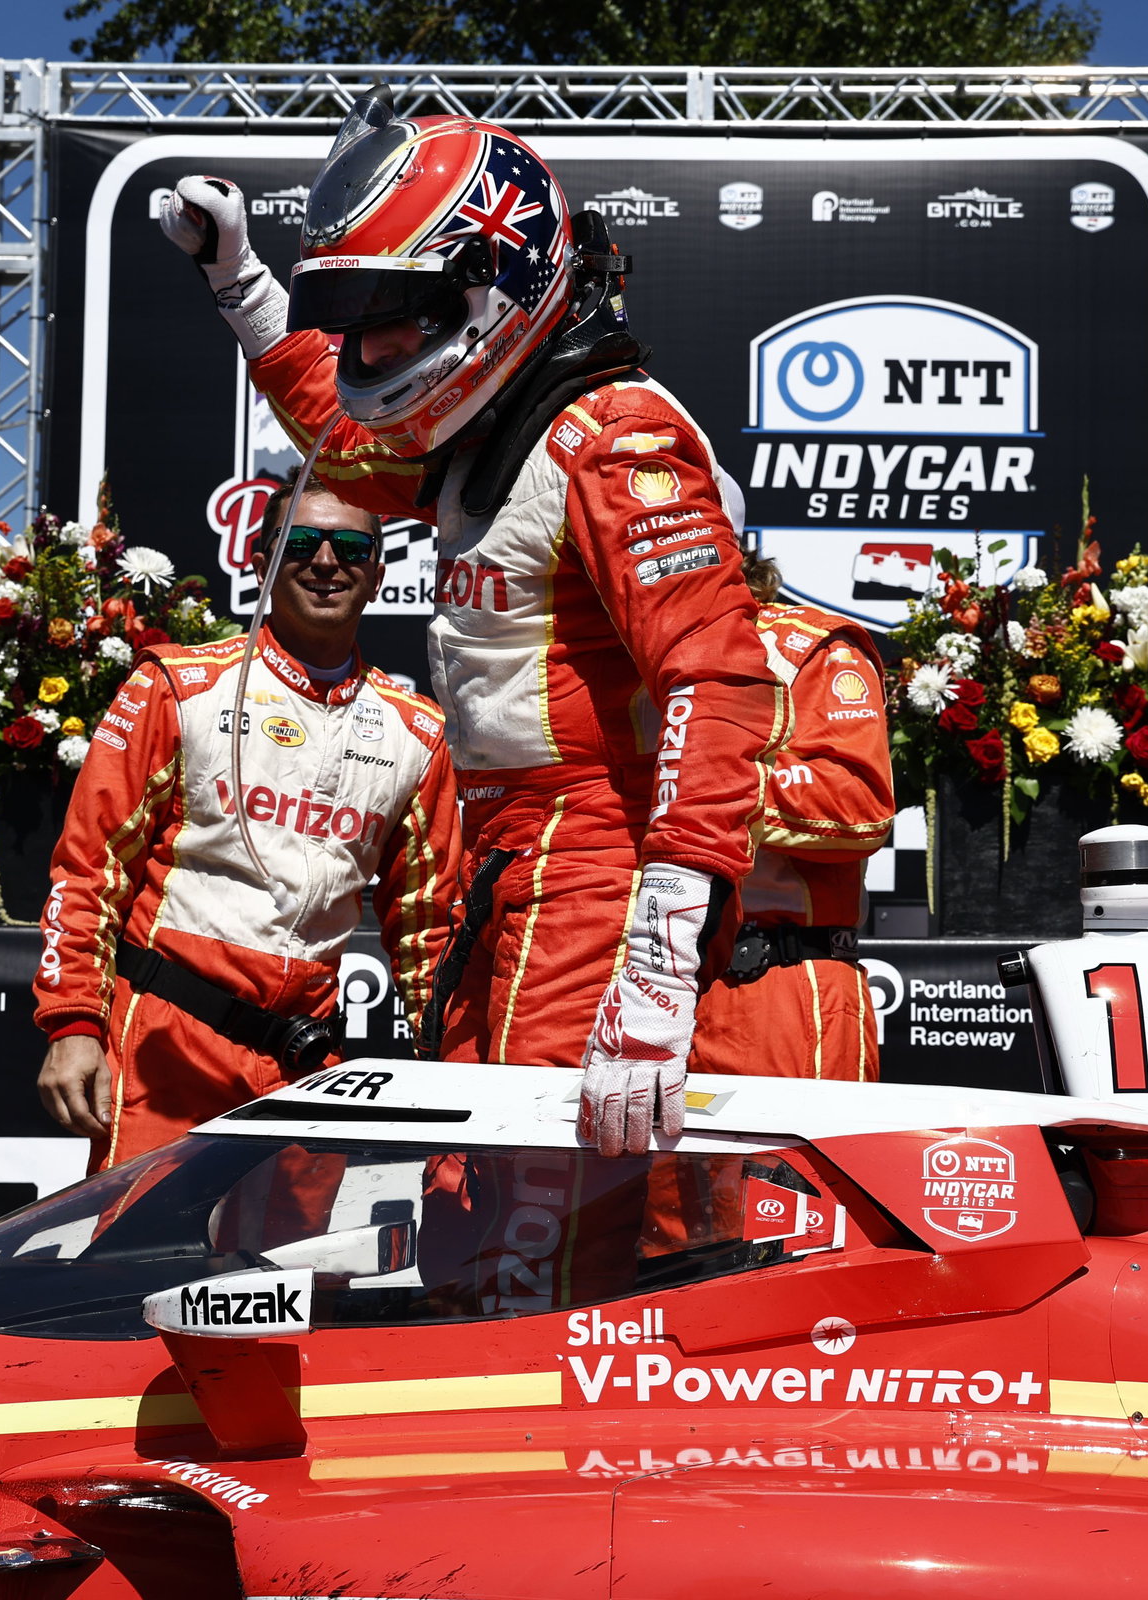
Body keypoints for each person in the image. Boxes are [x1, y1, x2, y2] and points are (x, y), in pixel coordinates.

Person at [157, 87, 787, 1157]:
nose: (367, 342)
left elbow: (717, 682)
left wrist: (663, 957)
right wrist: (237, 275)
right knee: (473, 1181)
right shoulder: (482, 438)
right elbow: (333, 414)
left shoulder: (612, 438)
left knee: (536, 1208)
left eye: (392, 314)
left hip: (597, 863)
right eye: (356, 315)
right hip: (504, 855)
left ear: (493, 284)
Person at [33, 479, 461, 1170]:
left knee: (290, 1277)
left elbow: (429, 929)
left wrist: (450, 1062)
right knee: (137, 1272)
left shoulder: (417, 733)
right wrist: (74, 1022)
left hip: (307, 1060)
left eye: (351, 545)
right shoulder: (177, 686)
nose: (327, 561)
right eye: (301, 543)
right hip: (167, 1044)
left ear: (379, 571)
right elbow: (89, 871)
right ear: (261, 562)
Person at [691, 550, 896, 1081]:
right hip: (649, 989)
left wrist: (710, 785)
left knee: (788, 1167)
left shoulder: (812, 647)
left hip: (775, 984)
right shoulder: (624, 657)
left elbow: (859, 802)